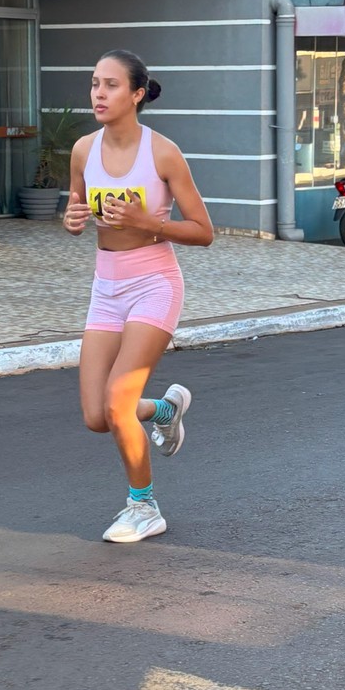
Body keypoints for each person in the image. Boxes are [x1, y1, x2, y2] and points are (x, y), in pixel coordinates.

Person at [64, 49, 214, 543]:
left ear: (136, 94)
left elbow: (203, 231)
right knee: (96, 416)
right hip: (106, 287)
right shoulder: (84, 150)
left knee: (117, 401)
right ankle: (165, 411)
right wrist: (72, 220)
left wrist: (152, 223)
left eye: (110, 85)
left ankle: (143, 506)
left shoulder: (164, 153)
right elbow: (75, 206)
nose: (99, 94)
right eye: (94, 84)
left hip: (154, 283)